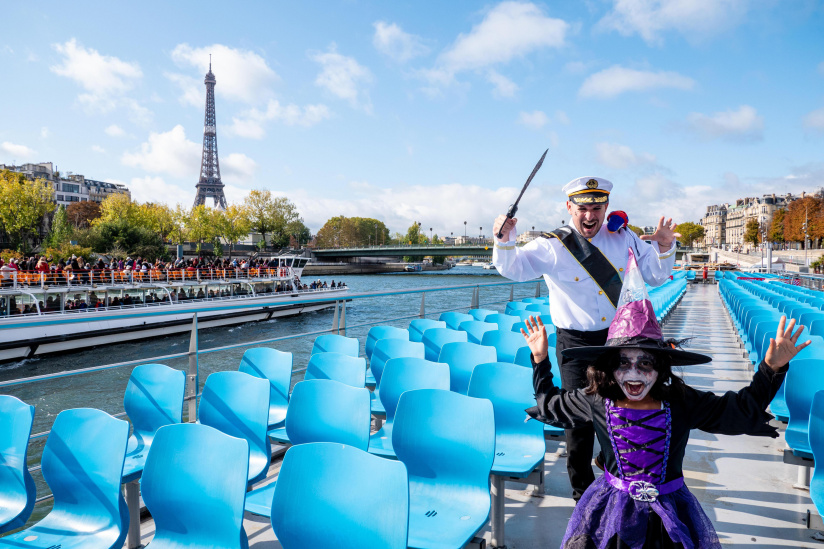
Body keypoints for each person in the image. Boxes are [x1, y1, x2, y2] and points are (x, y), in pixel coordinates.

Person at [520, 251, 810, 548]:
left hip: (668, 515)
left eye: (645, 363)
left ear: (660, 367)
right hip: (611, 511)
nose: (633, 374)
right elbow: (549, 406)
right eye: (623, 363)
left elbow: (738, 411)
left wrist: (770, 369)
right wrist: (540, 359)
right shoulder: (597, 399)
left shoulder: (679, 401)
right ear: (609, 366)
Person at [493, 176, 680, 502]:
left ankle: (613, 475)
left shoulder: (624, 237)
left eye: (596, 207)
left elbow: (655, 274)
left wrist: (663, 247)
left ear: (606, 207)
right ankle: (583, 496)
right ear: (569, 207)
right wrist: (505, 238)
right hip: (575, 344)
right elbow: (514, 268)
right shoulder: (551, 245)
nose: (590, 216)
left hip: (617, 341)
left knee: (621, 412)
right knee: (578, 425)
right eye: (583, 208)